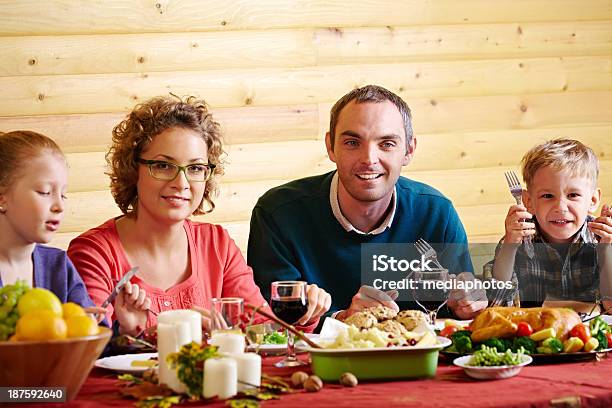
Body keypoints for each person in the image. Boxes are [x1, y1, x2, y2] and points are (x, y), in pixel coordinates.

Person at [68, 96, 331, 336]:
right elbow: (87, 346)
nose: (181, 182)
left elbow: (259, 331)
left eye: (195, 168)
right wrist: (137, 332)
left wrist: (302, 315)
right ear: (132, 169)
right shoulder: (94, 253)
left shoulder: (217, 244)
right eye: (163, 165)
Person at [248, 85, 488, 321]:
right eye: (353, 142)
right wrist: (343, 319)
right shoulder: (277, 214)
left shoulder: (436, 212)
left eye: (386, 144)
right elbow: (273, 322)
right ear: (331, 146)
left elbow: (458, 315)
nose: (369, 159)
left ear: (409, 150)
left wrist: (466, 305)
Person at [489, 138, 612, 310]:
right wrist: (510, 247)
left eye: (573, 195)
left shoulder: (603, 239)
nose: (561, 207)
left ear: (592, 200)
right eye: (547, 196)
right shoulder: (519, 239)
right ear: (528, 201)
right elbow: (496, 303)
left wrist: (605, 250)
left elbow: (610, 307)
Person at [0, 130, 97, 309]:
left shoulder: (59, 266)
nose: (59, 206)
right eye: (45, 192)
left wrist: (126, 325)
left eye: (63, 195)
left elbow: (91, 329)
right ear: (1, 197)